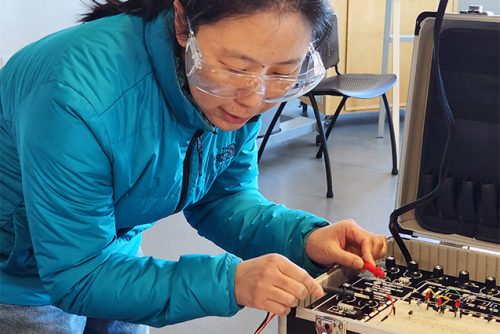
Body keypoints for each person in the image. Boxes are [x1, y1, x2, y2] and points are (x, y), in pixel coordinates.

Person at [0, 0, 387, 332]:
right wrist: (229, 283)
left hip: (109, 248)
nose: (254, 100)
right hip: (16, 272)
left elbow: (225, 198)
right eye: (237, 69)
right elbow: (79, 275)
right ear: (184, 22)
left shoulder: (232, 86)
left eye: (283, 73)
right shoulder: (76, 101)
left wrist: (305, 238)